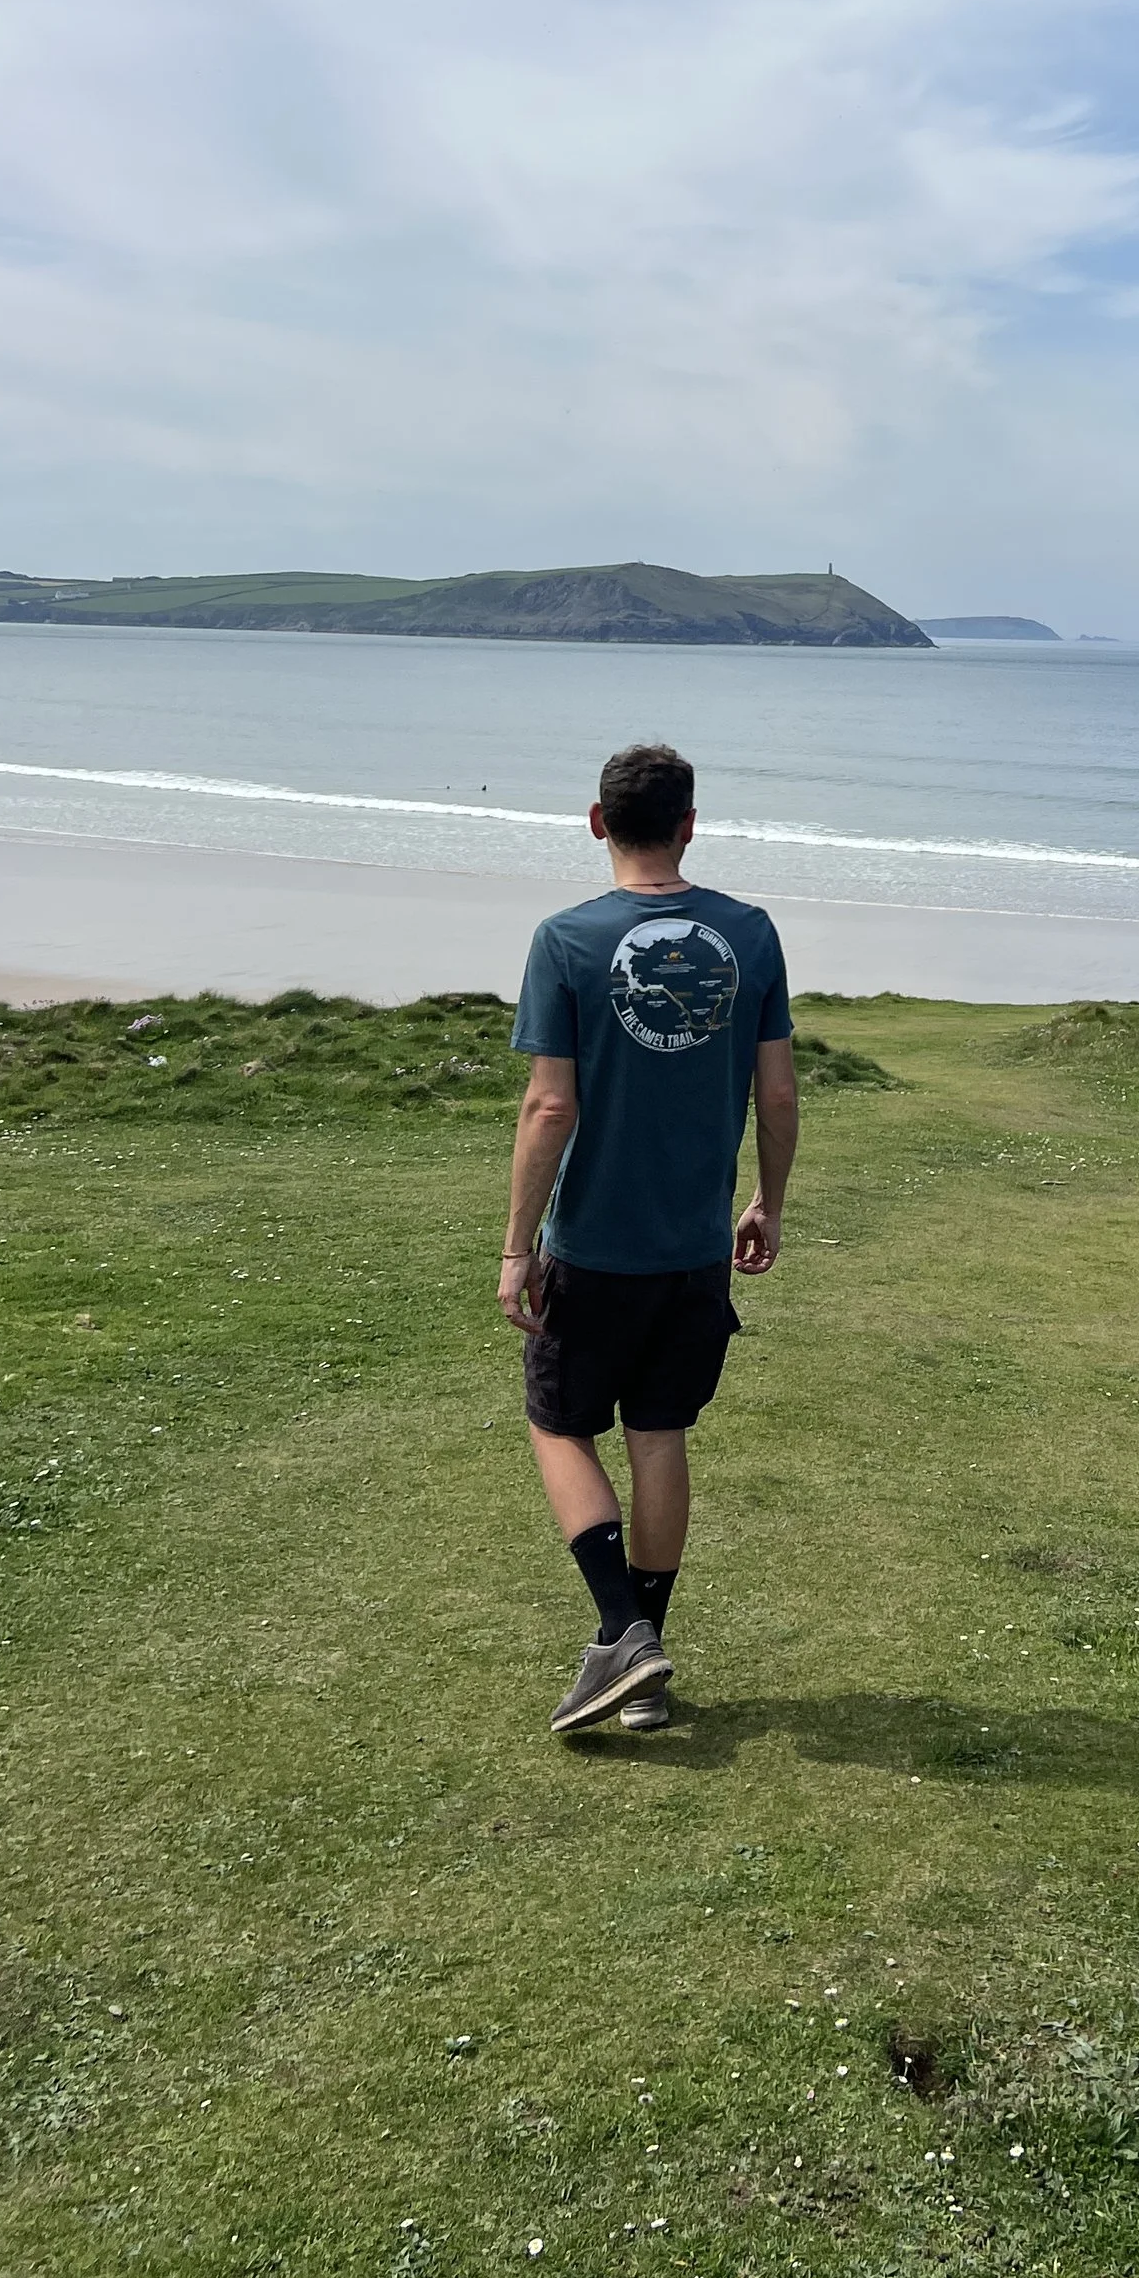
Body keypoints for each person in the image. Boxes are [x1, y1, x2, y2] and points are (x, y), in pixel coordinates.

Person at [499, 741, 798, 1738]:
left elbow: (548, 1105)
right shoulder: (750, 934)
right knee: (658, 1434)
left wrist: (514, 1247)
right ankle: (645, 1675)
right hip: (692, 1250)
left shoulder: (567, 941)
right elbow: (778, 1088)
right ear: (689, 824)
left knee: (557, 1426)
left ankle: (626, 1631)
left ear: (597, 823)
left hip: (593, 1245)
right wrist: (768, 1201)